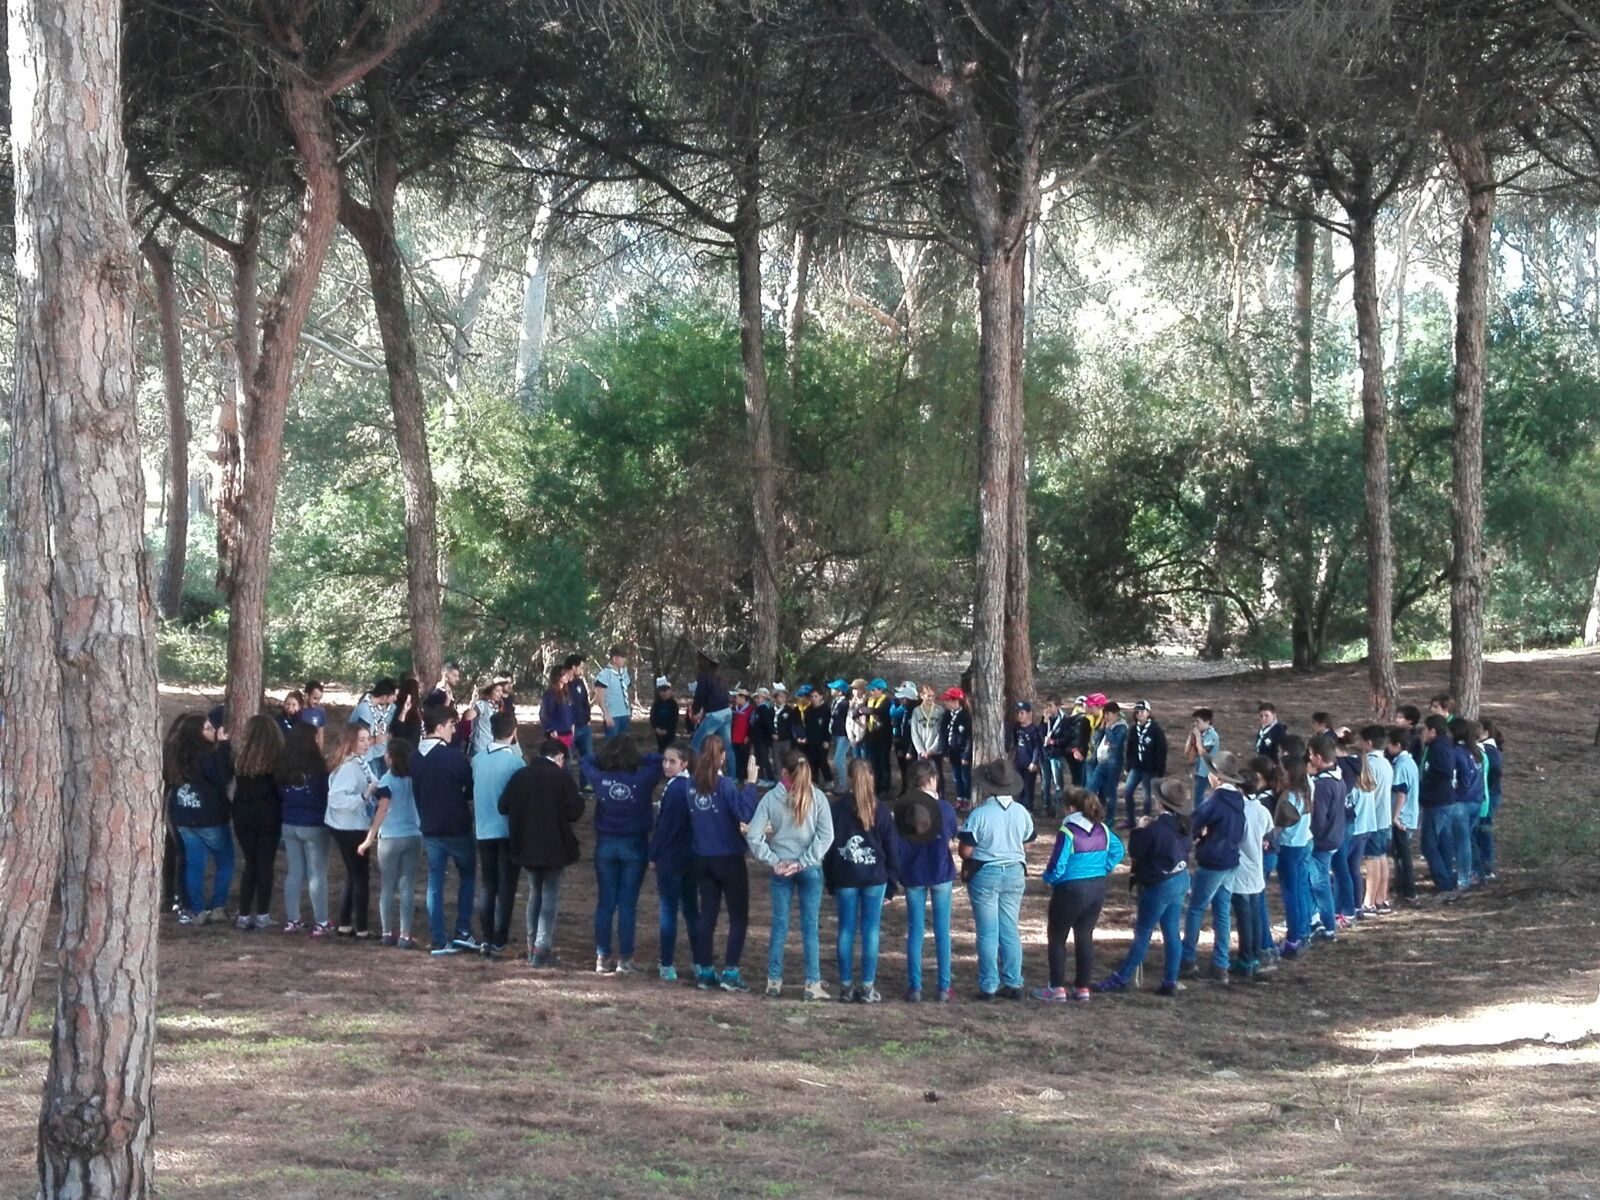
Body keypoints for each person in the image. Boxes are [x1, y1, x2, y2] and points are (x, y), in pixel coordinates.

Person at [747, 749, 835, 1000]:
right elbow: (826, 835)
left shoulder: (771, 799)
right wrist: (805, 861)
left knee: (780, 925)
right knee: (810, 926)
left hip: (781, 867)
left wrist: (774, 861)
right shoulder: (817, 797)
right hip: (810, 868)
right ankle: (812, 983)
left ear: (783, 772)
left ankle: (773, 981)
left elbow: (754, 836)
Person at [1097, 779, 1193, 997]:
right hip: (1180, 878)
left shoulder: (1156, 830)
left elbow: (1136, 851)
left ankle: (1123, 976)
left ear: (1161, 803)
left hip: (1159, 885)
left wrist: (1140, 829)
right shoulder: (1183, 825)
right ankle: (1170, 979)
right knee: (1172, 932)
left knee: (1143, 932)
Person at [499, 737, 585, 966]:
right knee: (549, 896)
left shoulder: (521, 775)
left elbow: (503, 805)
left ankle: (531, 946)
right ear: (559, 757)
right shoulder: (561, 777)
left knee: (534, 893)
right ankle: (541, 948)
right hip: (554, 846)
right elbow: (575, 811)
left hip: (525, 845)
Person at [582, 736, 664, 974]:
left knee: (606, 902)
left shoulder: (600, 778)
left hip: (606, 843)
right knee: (628, 903)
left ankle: (602, 955)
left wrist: (606, 757)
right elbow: (660, 759)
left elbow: (587, 759)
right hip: (634, 844)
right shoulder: (643, 778)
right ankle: (625, 958)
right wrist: (639, 757)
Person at [1034, 786, 1124, 1003]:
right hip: (1097, 888)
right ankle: (1082, 988)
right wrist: (1104, 868)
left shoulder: (1068, 831)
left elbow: (1058, 863)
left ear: (1070, 808)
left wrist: (1048, 880)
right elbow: (1119, 850)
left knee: (1057, 937)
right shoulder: (1102, 829)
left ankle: (1056, 988)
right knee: (1084, 936)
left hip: (1070, 890)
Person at [685, 735, 760, 991]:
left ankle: (705, 970)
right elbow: (745, 814)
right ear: (723, 756)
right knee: (738, 916)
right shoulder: (725, 785)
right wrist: (751, 784)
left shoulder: (691, 786)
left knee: (708, 914)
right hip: (728, 857)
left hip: (702, 857)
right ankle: (730, 971)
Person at [958, 758, 1034, 1001]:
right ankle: (1014, 982)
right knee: (1010, 928)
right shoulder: (1022, 812)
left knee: (987, 932)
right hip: (1014, 871)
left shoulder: (980, 814)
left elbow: (965, 851)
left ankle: (989, 985)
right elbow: (1028, 839)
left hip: (986, 873)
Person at [827, 759, 899, 1003]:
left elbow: (829, 847)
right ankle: (868, 986)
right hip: (874, 877)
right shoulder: (881, 811)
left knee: (846, 929)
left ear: (848, 778)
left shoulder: (837, 809)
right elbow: (892, 850)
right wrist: (891, 884)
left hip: (846, 876)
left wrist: (830, 880)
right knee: (871, 930)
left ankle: (846, 986)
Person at [412, 706, 478, 955]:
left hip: (429, 826)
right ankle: (462, 929)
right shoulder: (453, 757)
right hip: (456, 825)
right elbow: (470, 787)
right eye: (451, 725)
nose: (454, 730)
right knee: (468, 876)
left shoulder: (415, 758)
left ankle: (438, 938)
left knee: (435, 882)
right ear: (439, 727)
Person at [893, 762, 958, 1004]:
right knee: (942, 931)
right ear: (931, 779)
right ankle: (944, 986)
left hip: (913, 873)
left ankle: (915, 986)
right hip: (940, 871)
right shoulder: (944, 808)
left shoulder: (903, 809)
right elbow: (952, 836)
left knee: (916, 930)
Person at [1179, 749, 1245, 984]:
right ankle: (1220, 964)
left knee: (1196, 909)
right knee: (1222, 911)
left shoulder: (1216, 800)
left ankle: (1187, 959)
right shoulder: (1237, 798)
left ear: (1216, 776)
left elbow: (1193, 823)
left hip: (1213, 861)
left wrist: (1200, 835)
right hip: (1230, 859)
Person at [165, 711, 235, 926]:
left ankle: (196, 909)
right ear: (197, 733)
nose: (213, 730)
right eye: (207, 728)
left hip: (185, 818)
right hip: (211, 819)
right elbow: (224, 777)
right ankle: (217, 906)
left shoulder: (175, 757)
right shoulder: (209, 756)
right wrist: (224, 747)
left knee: (194, 865)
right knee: (225, 861)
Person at [361, 737, 424, 948]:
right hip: (413, 835)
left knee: (387, 886)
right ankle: (405, 935)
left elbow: (382, 809)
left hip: (390, 838)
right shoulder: (416, 779)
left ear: (391, 758)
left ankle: (387, 932)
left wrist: (370, 837)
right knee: (407, 885)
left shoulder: (387, 780)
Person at [473, 711, 525, 958]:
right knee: (506, 887)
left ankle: (486, 937)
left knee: (488, 884)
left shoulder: (478, 759)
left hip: (483, 829)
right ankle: (500, 938)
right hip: (506, 830)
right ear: (513, 732)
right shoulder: (515, 762)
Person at [648, 743, 699, 981]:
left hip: (671, 857)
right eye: (665, 761)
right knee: (691, 910)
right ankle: (700, 961)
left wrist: (653, 854)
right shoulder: (692, 786)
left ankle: (667, 963)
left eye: (672, 762)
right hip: (691, 856)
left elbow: (665, 827)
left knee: (669, 910)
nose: (666, 765)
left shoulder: (676, 789)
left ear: (684, 764)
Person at [276, 723, 332, 934]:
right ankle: (322, 921)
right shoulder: (319, 769)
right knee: (317, 873)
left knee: (294, 872)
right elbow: (325, 795)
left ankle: (293, 919)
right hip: (315, 825)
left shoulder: (283, 766)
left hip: (289, 824)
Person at [231, 714, 284, 930]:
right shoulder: (276, 759)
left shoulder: (240, 758)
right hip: (268, 814)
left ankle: (244, 914)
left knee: (250, 864)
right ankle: (262, 913)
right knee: (265, 865)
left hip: (243, 814)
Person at [325, 721, 378, 938]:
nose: (366, 743)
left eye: (368, 739)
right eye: (362, 740)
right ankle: (362, 928)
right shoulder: (348, 767)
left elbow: (372, 781)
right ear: (351, 741)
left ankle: (346, 923)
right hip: (348, 827)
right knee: (360, 877)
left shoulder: (360, 762)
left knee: (353, 875)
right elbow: (336, 799)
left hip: (353, 824)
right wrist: (363, 797)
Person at [1229, 759, 1274, 982]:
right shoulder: (1263, 811)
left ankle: (1245, 958)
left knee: (1244, 918)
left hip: (1240, 870)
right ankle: (1254, 954)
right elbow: (1269, 835)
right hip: (1256, 869)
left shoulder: (1239, 811)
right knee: (1255, 915)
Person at [1273, 736, 1314, 956]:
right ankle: (1303, 932)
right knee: (1301, 890)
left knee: (1291, 894)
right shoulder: (1307, 789)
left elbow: (1281, 826)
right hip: (1304, 842)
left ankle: (1293, 939)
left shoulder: (1289, 796)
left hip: (1289, 847)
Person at [1308, 734, 1348, 941]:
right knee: (1319, 880)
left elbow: (1319, 818)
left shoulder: (1323, 785)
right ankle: (1316, 919)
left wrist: (1310, 834)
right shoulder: (1338, 778)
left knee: (1320, 882)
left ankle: (1328, 925)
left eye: (1311, 755)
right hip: (1334, 836)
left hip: (1322, 840)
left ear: (1318, 757)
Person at [1418, 715, 1460, 894]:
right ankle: (1448, 878)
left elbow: (1443, 772)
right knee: (1443, 842)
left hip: (1437, 801)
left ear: (1432, 731)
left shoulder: (1440, 748)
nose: (1423, 734)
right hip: (1441, 800)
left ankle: (1444, 883)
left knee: (1428, 845)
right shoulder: (1437, 746)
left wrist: (1426, 783)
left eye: (1425, 730)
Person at [1358, 725, 1395, 915]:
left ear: (1369, 743)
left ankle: (1369, 902)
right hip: (1384, 818)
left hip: (1373, 819)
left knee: (1372, 860)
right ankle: (1381, 898)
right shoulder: (1387, 763)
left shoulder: (1369, 764)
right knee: (1381, 858)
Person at [1447, 717, 1484, 894]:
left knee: (1461, 842)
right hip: (1476, 801)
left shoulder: (1456, 753)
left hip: (1461, 802)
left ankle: (1463, 878)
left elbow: (1460, 780)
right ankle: (1472, 873)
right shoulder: (1476, 752)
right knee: (1467, 840)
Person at [1386, 725, 1420, 906]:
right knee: (1400, 854)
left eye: (1390, 745)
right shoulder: (1411, 762)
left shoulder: (1401, 764)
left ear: (1397, 745)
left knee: (1404, 855)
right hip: (1408, 814)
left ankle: (1409, 891)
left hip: (1402, 817)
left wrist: (1395, 816)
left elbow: (1401, 792)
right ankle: (1403, 888)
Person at [689, 652, 734, 777]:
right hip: (726, 712)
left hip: (715, 715)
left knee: (695, 744)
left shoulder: (704, 676)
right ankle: (732, 776)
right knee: (728, 746)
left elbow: (700, 695)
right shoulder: (719, 677)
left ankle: (691, 773)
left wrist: (695, 710)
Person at [1124, 700, 1168, 822]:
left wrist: (1159, 770)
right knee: (1128, 791)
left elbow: (1161, 751)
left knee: (1146, 796)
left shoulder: (1155, 730)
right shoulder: (1134, 729)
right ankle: (1130, 820)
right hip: (1136, 767)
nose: (1139, 714)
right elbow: (1130, 748)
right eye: (1137, 712)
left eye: (1142, 711)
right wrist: (1128, 766)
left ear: (1148, 712)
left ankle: (1146, 820)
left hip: (1149, 769)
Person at [1087, 698, 1128, 827]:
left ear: (1116, 714)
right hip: (1101, 762)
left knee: (1111, 792)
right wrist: (1101, 729)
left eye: (1108, 714)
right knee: (1090, 788)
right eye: (1105, 714)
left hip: (1113, 763)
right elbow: (1095, 741)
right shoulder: (1106, 726)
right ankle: (1092, 814)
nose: (1106, 717)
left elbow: (1115, 744)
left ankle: (1110, 818)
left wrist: (1109, 729)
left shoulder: (1121, 727)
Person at [1476, 718, 1504, 883]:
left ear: (1485, 732)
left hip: (1490, 795)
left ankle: (1487, 867)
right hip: (1489, 794)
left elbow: (1495, 771)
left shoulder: (1489, 750)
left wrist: (1486, 786)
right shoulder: (1487, 749)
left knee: (1484, 829)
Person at [350, 677, 398, 769]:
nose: (395, 698)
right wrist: (376, 739)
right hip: (364, 756)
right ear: (384, 697)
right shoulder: (364, 709)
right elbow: (361, 739)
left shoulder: (388, 708)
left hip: (380, 752)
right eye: (393, 695)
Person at [910, 684, 946, 800]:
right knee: (922, 774)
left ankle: (939, 796)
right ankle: (923, 795)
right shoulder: (916, 711)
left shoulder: (939, 710)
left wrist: (932, 749)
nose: (931, 698)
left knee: (937, 774)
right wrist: (921, 750)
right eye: (928, 696)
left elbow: (941, 732)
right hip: (922, 751)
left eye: (933, 696)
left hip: (935, 751)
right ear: (921, 696)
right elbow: (914, 732)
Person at [1009, 701, 1045, 813]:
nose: (1019, 716)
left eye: (1022, 713)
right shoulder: (1016, 727)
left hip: (1029, 764)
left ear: (1029, 714)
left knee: (1029, 786)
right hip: (1019, 762)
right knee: (1019, 785)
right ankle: (1019, 806)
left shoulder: (1034, 730)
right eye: (1017, 713)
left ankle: (1028, 807)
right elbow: (1015, 742)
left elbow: (1037, 747)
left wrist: (1034, 762)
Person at [593, 645, 634, 743]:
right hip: (613, 715)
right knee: (612, 744)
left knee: (624, 743)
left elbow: (627, 691)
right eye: (622, 657)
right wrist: (606, 714)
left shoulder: (624, 672)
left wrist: (629, 710)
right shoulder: (605, 674)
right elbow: (600, 696)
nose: (624, 660)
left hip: (624, 714)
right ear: (615, 658)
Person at [941, 688, 973, 810]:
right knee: (956, 776)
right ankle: (959, 798)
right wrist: (945, 752)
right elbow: (943, 734)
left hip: (962, 751)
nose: (946, 703)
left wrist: (966, 755)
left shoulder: (965, 716)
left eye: (948, 700)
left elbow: (969, 737)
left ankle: (967, 799)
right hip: (952, 751)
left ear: (956, 701)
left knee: (965, 776)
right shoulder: (947, 715)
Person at [861, 679, 894, 794]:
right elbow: (860, 710)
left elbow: (882, 712)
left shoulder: (887, 702)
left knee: (883, 763)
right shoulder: (869, 700)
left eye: (874, 690)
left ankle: (885, 787)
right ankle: (875, 786)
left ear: (881, 690)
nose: (871, 692)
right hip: (871, 737)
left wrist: (869, 710)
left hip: (883, 738)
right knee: (873, 763)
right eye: (870, 690)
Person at [540, 662, 577, 756]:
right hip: (557, 734)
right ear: (557, 677)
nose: (566, 677)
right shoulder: (550, 694)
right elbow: (544, 714)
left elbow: (571, 711)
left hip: (568, 732)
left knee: (568, 760)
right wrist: (551, 729)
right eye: (564, 675)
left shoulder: (566, 693)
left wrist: (572, 725)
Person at [1185, 708, 1220, 803]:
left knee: (1198, 796)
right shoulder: (1201, 735)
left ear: (1207, 722)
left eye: (1198, 721)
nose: (1195, 724)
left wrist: (1197, 737)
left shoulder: (1212, 735)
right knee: (1195, 795)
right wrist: (1190, 735)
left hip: (1207, 772)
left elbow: (1203, 752)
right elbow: (1186, 752)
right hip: (1198, 769)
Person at [566, 654, 594, 768]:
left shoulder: (580, 683)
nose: (582, 671)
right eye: (580, 668)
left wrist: (588, 719)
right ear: (573, 667)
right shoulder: (562, 685)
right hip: (568, 729)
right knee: (567, 759)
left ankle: (586, 785)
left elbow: (585, 702)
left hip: (584, 726)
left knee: (588, 757)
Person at [801, 685, 832, 781]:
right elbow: (806, 725)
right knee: (812, 762)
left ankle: (828, 780)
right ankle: (814, 782)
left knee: (823, 761)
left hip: (822, 740)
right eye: (812, 696)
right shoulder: (808, 710)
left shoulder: (826, 710)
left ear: (821, 696)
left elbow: (829, 726)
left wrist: (827, 740)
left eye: (816, 696)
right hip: (811, 740)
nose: (813, 699)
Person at [892, 683, 919, 795]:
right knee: (903, 769)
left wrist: (910, 750)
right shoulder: (905, 710)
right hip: (902, 744)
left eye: (902, 698)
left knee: (911, 770)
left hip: (911, 747)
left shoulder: (915, 711)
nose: (900, 700)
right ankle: (905, 789)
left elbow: (914, 733)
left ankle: (912, 791)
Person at [470, 681, 505, 758]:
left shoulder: (499, 706)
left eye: (501, 691)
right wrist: (473, 702)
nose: (500, 693)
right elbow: (469, 716)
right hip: (481, 747)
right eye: (497, 691)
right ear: (490, 691)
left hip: (494, 747)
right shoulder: (482, 705)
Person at [827, 680, 851, 793]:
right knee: (839, 759)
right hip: (836, 734)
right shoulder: (834, 702)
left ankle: (843, 785)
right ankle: (840, 783)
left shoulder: (845, 704)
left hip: (843, 735)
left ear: (840, 692)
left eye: (834, 689)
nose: (831, 690)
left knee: (838, 759)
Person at [750, 687, 777, 784]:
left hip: (763, 738)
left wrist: (772, 733)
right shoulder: (758, 709)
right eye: (756, 698)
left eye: (759, 697)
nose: (756, 700)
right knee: (759, 758)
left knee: (764, 758)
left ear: (764, 698)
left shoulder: (764, 709)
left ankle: (770, 778)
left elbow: (768, 723)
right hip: (757, 738)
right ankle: (761, 777)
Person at [730, 686, 755, 782]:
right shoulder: (733, 708)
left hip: (744, 738)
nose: (736, 699)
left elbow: (751, 724)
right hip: (734, 737)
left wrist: (748, 736)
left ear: (743, 698)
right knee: (736, 758)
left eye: (737, 697)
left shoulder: (751, 709)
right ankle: (737, 776)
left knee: (745, 758)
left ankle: (745, 776)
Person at [650, 676, 680, 753]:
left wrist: (667, 729)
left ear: (670, 691)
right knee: (661, 749)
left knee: (670, 748)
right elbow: (653, 717)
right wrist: (656, 728)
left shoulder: (673, 704)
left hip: (669, 732)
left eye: (666, 690)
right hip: (659, 731)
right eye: (662, 691)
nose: (664, 693)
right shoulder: (656, 703)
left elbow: (674, 718)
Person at [390, 677, 423, 746]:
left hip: (410, 747)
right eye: (419, 688)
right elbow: (396, 730)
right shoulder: (397, 707)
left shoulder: (418, 708)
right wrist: (404, 711)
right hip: (402, 748)